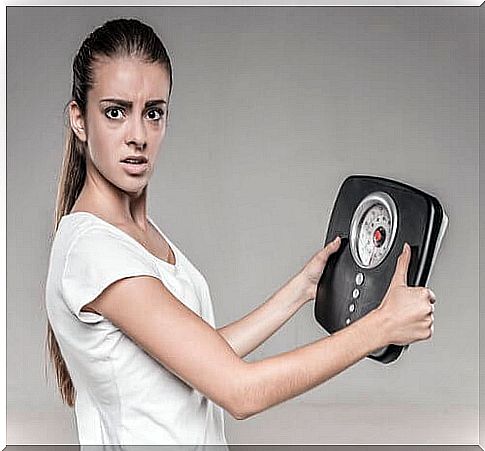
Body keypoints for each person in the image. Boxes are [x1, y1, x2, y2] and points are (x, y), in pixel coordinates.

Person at [44, 17, 436, 448]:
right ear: (79, 121)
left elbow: (200, 359)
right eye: (115, 112)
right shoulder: (94, 250)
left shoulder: (137, 235)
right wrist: (380, 328)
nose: (138, 136)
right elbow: (239, 391)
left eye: (153, 113)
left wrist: (300, 291)